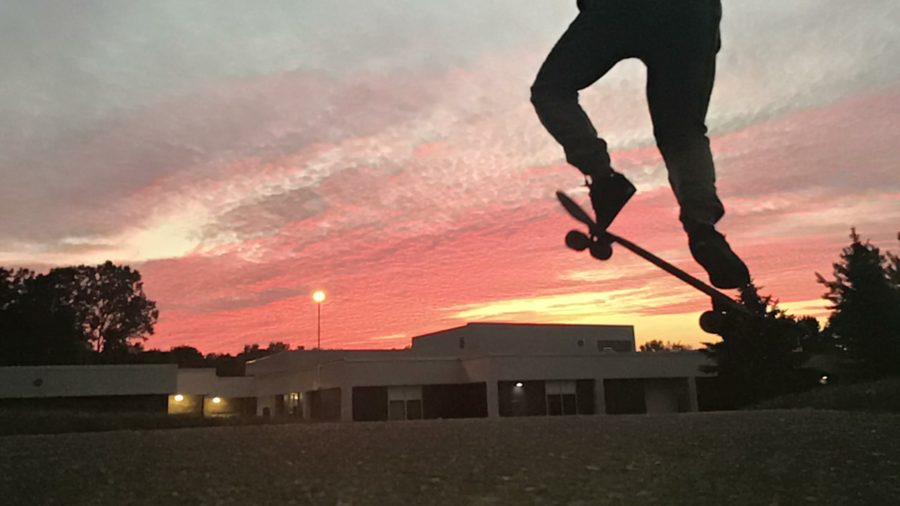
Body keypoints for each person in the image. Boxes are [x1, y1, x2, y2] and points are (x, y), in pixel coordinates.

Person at [531, 0, 750, 289]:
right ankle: (702, 228)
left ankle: (603, 178)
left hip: (618, 10)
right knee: (683, 132)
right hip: (692, 14)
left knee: (551, 90)